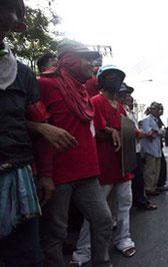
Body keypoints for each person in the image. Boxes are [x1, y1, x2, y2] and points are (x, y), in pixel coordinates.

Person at [0, 2, 77, 266]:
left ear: (17, 23)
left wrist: (45, 175)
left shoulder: (21, 73)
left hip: (19, 177)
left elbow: (41, 125)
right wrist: (38, 127)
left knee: (25, 256)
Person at [38, 39, 113, 267]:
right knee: (56, 233)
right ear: (69, 59)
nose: (93, 64)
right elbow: (37, 130)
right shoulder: (45, 84)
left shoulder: (83, 89)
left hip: (87, 173)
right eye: (87, 58)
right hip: (59, 176)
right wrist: (46, 174)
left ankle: (102, 263)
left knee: (103, 220)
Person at [71, 65, 137, 265]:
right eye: (111, 76)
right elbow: (94, 132)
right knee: (96, 212)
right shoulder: (96, 102)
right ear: (102, 80)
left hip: (122, 165)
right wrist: (109, 132)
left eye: (118, 76)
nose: (115, 79)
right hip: (103, 165)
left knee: (124, 205)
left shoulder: (121, 106)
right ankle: (84, 250)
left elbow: (127, 131)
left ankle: (123, 240)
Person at [140, 102, 163, 195]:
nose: (158, 111)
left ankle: (153, 187)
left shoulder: (158, 120)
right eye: (156, 109)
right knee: (150, 170)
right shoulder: (146, 120)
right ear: (151, 109)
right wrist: (157, 132)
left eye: (159, 109)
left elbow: (163, 133)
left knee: (157, 170)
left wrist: (156, 131)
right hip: (149, 149)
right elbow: (149, 133)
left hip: (157, 148)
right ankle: (148, 188)